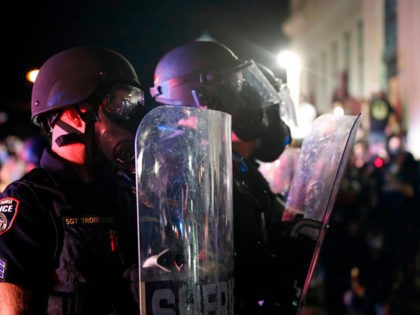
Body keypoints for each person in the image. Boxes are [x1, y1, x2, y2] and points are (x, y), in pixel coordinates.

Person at [150, 39, 301, 314]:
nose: (242, 99)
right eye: (232, 87)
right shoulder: (173, 171)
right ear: (198, 96)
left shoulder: (230, 165)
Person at [0, 46, 146, 314]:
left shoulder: (127, 192)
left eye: (132, 105)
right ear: (69, 112)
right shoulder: (29, 201)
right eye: (117, 104)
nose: (128, 119)